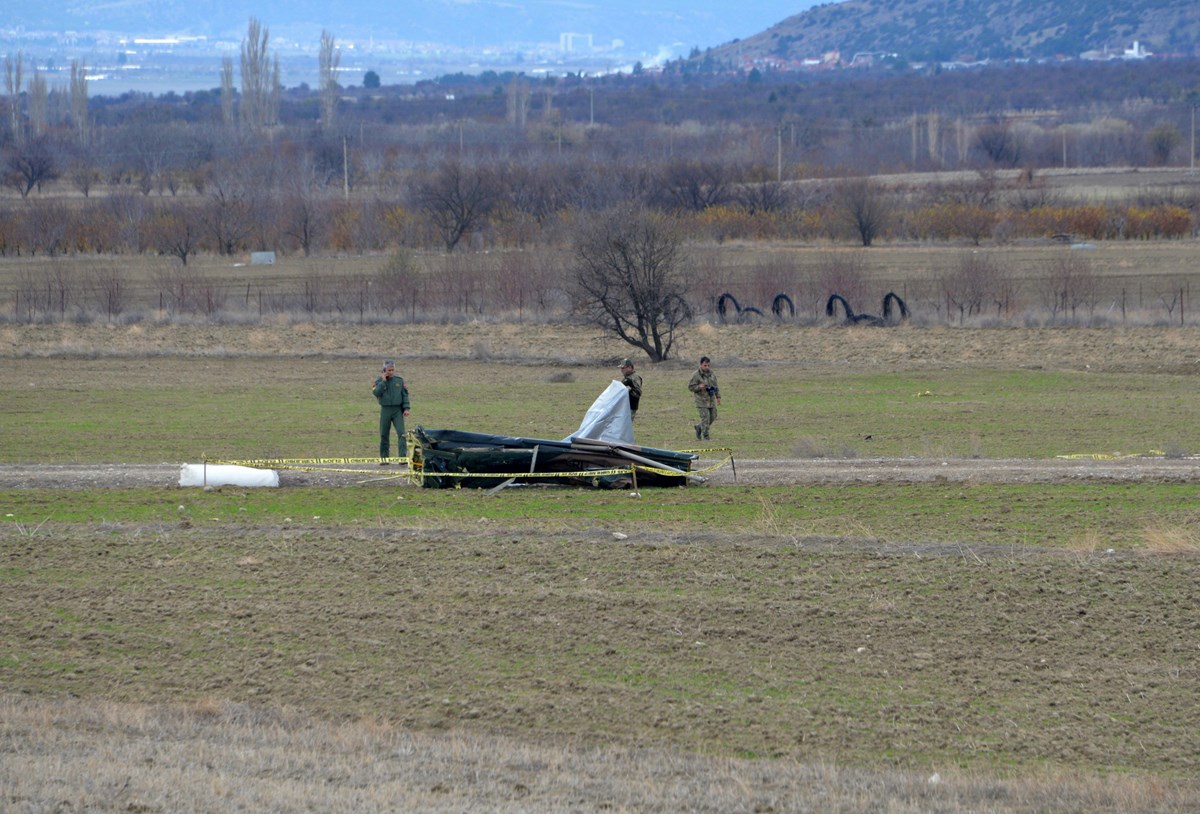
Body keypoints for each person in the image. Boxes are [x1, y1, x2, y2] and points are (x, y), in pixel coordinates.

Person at [372, 360, 410, 464]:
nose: (391, 372)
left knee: (402, 434)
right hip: (385, 410)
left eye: (393, 370)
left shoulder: (399, 380)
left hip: (397, 410)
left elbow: (405, 395)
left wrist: (406, 408)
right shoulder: (378, 381)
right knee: (384, 434)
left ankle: (402, 458)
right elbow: (376, 393)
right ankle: (384, 459)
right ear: (384, 370)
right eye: (389, 370)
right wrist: (383, 381)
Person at [687, 355, 720, 441]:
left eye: (708, 365)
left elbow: (715, 386)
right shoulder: (696, 375)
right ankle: (706, 437)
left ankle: (699, 427)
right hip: (701, 401)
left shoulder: (712, 374)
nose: (707, 367)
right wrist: (699, 387)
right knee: (705, 419)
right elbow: (690, 387)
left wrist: (718, 396)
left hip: (711, 400)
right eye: (705, 365)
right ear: (701, 365)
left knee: (713, 416)